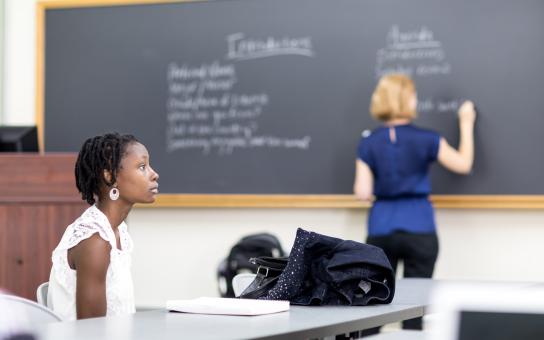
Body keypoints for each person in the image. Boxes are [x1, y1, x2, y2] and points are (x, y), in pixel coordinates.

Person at [353, 74, 476, 330]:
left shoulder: (368, 142)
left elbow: (362, 192)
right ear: (408, 99)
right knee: (416, 308)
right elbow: (463, 164)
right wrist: (466, 123)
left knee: (373, 303)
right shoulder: (427, 139)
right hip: (419, 225)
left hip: (381, 227)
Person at [47, 132, 159, 320]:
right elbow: (92, 331)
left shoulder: (116, 230)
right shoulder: (95, 240)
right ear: (110, 176)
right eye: (142, 167)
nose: (154, 174)